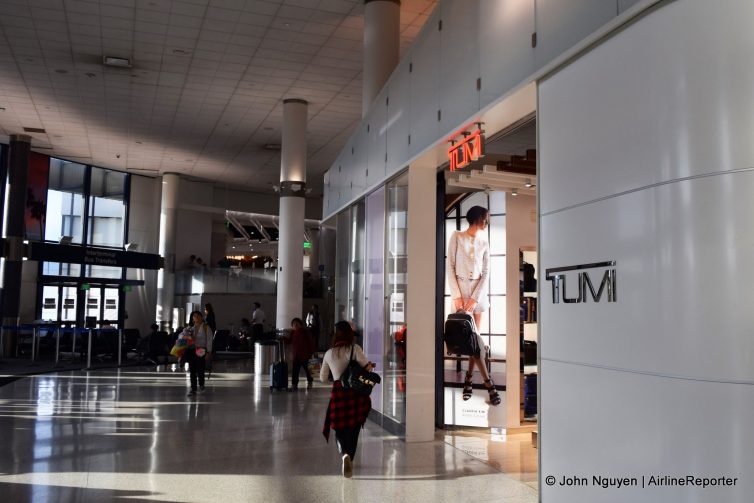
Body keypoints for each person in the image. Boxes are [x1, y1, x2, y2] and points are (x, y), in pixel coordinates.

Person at [447, 205, 500, 406]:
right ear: (478, 218)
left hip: (478, 298)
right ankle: (488, 384)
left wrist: (475, 299)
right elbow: (450, 267)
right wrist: (457, 297)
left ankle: (469, 380)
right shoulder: (456, 236)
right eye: (485, 218)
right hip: (460, 296)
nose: (487, 222)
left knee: (475, 342)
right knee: (474, 341)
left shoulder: (485, 242)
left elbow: (486, 273)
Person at [321, 320, 375, 478]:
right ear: (350, 335)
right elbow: (367, 367)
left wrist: (336, 376)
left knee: (339, 427)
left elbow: (323, 378)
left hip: (338, 393)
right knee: (354, 427)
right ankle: (350, 456)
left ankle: (344, 454)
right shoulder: (355, 349)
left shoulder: (329, 353)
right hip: (356, 393)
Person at [181, 310, 213, 396]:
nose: (197, 317)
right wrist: (186, 335)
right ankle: (193, 388)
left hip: (201, 350)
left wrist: (209, 352)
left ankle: (201, 384)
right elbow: (182, 338)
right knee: (192, 370)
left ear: (202, 317)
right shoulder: (189, 329)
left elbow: (209, 340)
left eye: (199, 316)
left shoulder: (206, 327)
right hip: (192, 350)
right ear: (192, 319)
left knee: (200, 368)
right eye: (195, 316)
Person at [286, 318, 315, 390]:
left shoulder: (305, 332)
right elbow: (289, 341)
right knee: (295, 371)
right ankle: (294, 384)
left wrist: (312, 352)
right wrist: (283, 339)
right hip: (296, 355)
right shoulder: (293, 333)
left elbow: (311, 342)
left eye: (297, 324)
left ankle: (310, 382)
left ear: (300, 325)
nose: (295, 325)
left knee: (308, 370)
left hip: (305, 355)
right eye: (293, 324)